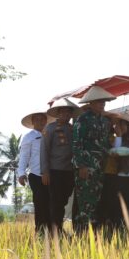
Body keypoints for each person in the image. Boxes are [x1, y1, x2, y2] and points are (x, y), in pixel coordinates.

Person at [72, 85, 114, 234]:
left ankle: (92, 234)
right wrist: (81, 166)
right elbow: (77, 144)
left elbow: (106, 143)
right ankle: (81, 234)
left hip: (100, 167)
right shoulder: (82, 120)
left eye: (104, 102)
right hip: (86, 167)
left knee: (96, 200)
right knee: (84, 201)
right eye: (99, 102)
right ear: (90, 103)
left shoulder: (105, 122)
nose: (102, 104)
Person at [41, 98, 80, 235]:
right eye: (62, 112)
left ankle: (58, 227)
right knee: (55, 201)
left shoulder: (73, 129)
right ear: (58, 114)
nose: (65, 115)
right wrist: (45, 172)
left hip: (69, 171)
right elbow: (44, 151)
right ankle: (55, 230)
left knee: (64, 200)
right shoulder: (50, 129)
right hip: (54, 171)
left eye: (68, 113)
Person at [18, 110, 51, 234]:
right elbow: (24, 156)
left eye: (42, 119)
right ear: (32, 122)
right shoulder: (29, 137)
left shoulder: (50, 133)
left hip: (52, 174)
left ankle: (53, 231)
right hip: (36, 175)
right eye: (37, 119)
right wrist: (21, 173)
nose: (40, 121)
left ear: (46, 120)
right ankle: (40, 231)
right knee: (40, 204)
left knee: (52, 204)